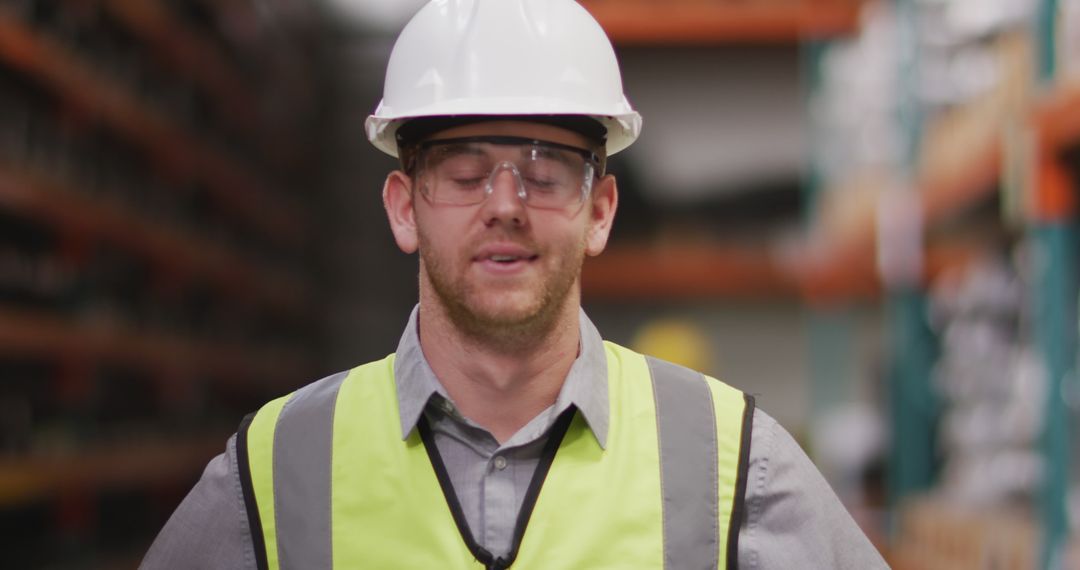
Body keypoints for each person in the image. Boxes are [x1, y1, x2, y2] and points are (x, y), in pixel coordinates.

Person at [142, 1, 888, 568]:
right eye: (464, 174)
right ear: (404, 208)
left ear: (599, 212)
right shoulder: (280, 465)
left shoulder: (730, 460)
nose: (504, 205)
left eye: (543, 172)